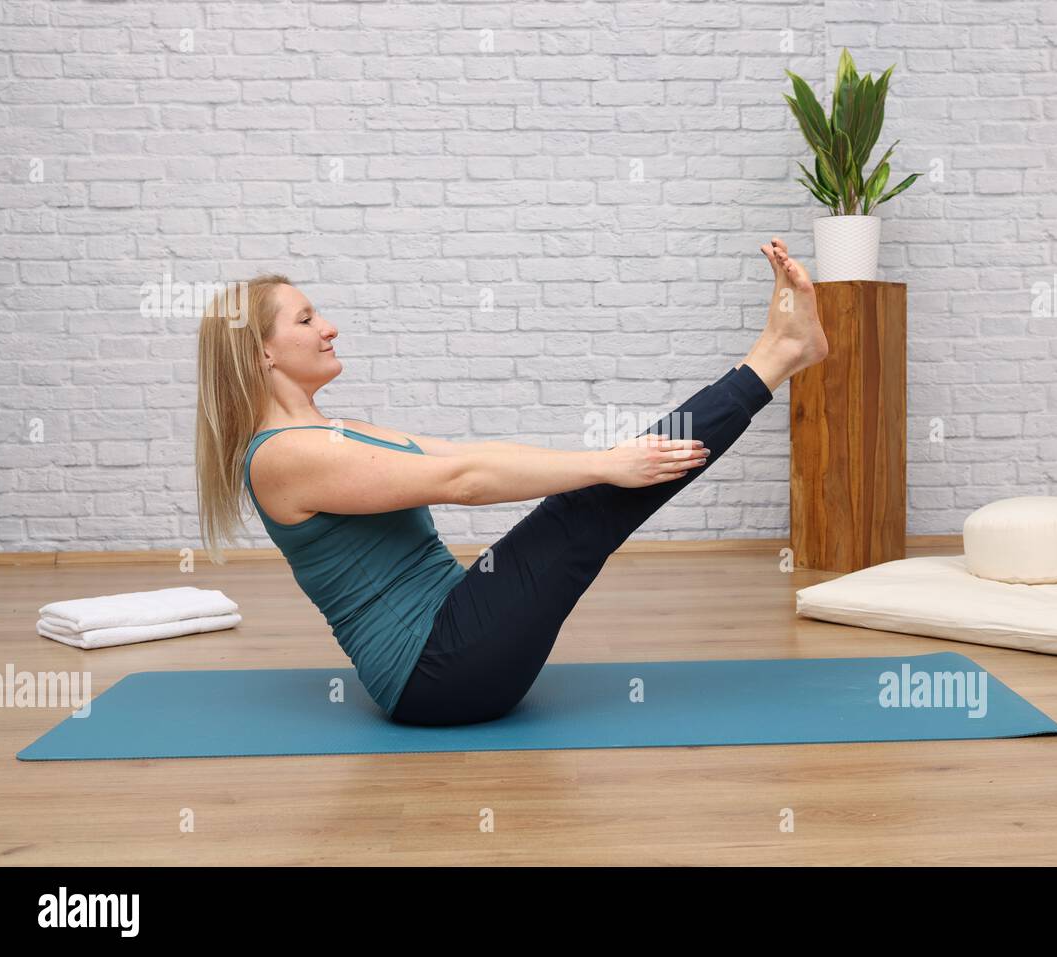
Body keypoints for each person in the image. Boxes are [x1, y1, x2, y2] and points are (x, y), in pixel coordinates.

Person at [195, 237, 827, 725]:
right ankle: (776, 354)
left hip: (453, 638)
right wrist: (606, 465)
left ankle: (781, 353)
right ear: (262, 353)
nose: (328, 326)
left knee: (592, 501)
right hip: (435, 675)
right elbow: (463, 481)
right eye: (306, 320)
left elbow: (468, 454)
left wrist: (606, 463)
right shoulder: (282, 456)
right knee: (589, 508)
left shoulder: (338, 431)